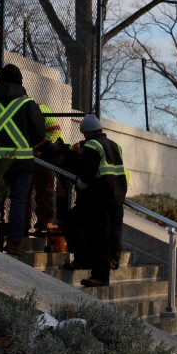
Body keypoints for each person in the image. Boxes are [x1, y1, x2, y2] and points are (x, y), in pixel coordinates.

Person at [0, 64, 47, 256]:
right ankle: (14, 243)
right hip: (22, 162)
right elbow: (39, 133)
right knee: (18, 201)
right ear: (20, 81)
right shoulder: (27, 103)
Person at [62, 114, 127, 287]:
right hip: (116, 197)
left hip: (99, 199)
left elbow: (85, 175)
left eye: (83, 133)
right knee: (108, 235)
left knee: (81, 227)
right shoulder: (115, 146)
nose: (83, 136)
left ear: (87, 132)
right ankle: (91, 261)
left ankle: (98, 274)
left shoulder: (92, 145)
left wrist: (78, 184)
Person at [29, 104, 65, 235]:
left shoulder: (40, 110)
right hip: (33, 155)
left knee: (44, 191)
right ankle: (34, 224)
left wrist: (42, 150)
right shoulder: (36, 110)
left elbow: (55, 132)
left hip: (44, 157)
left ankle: (44, 224)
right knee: (36, 192)